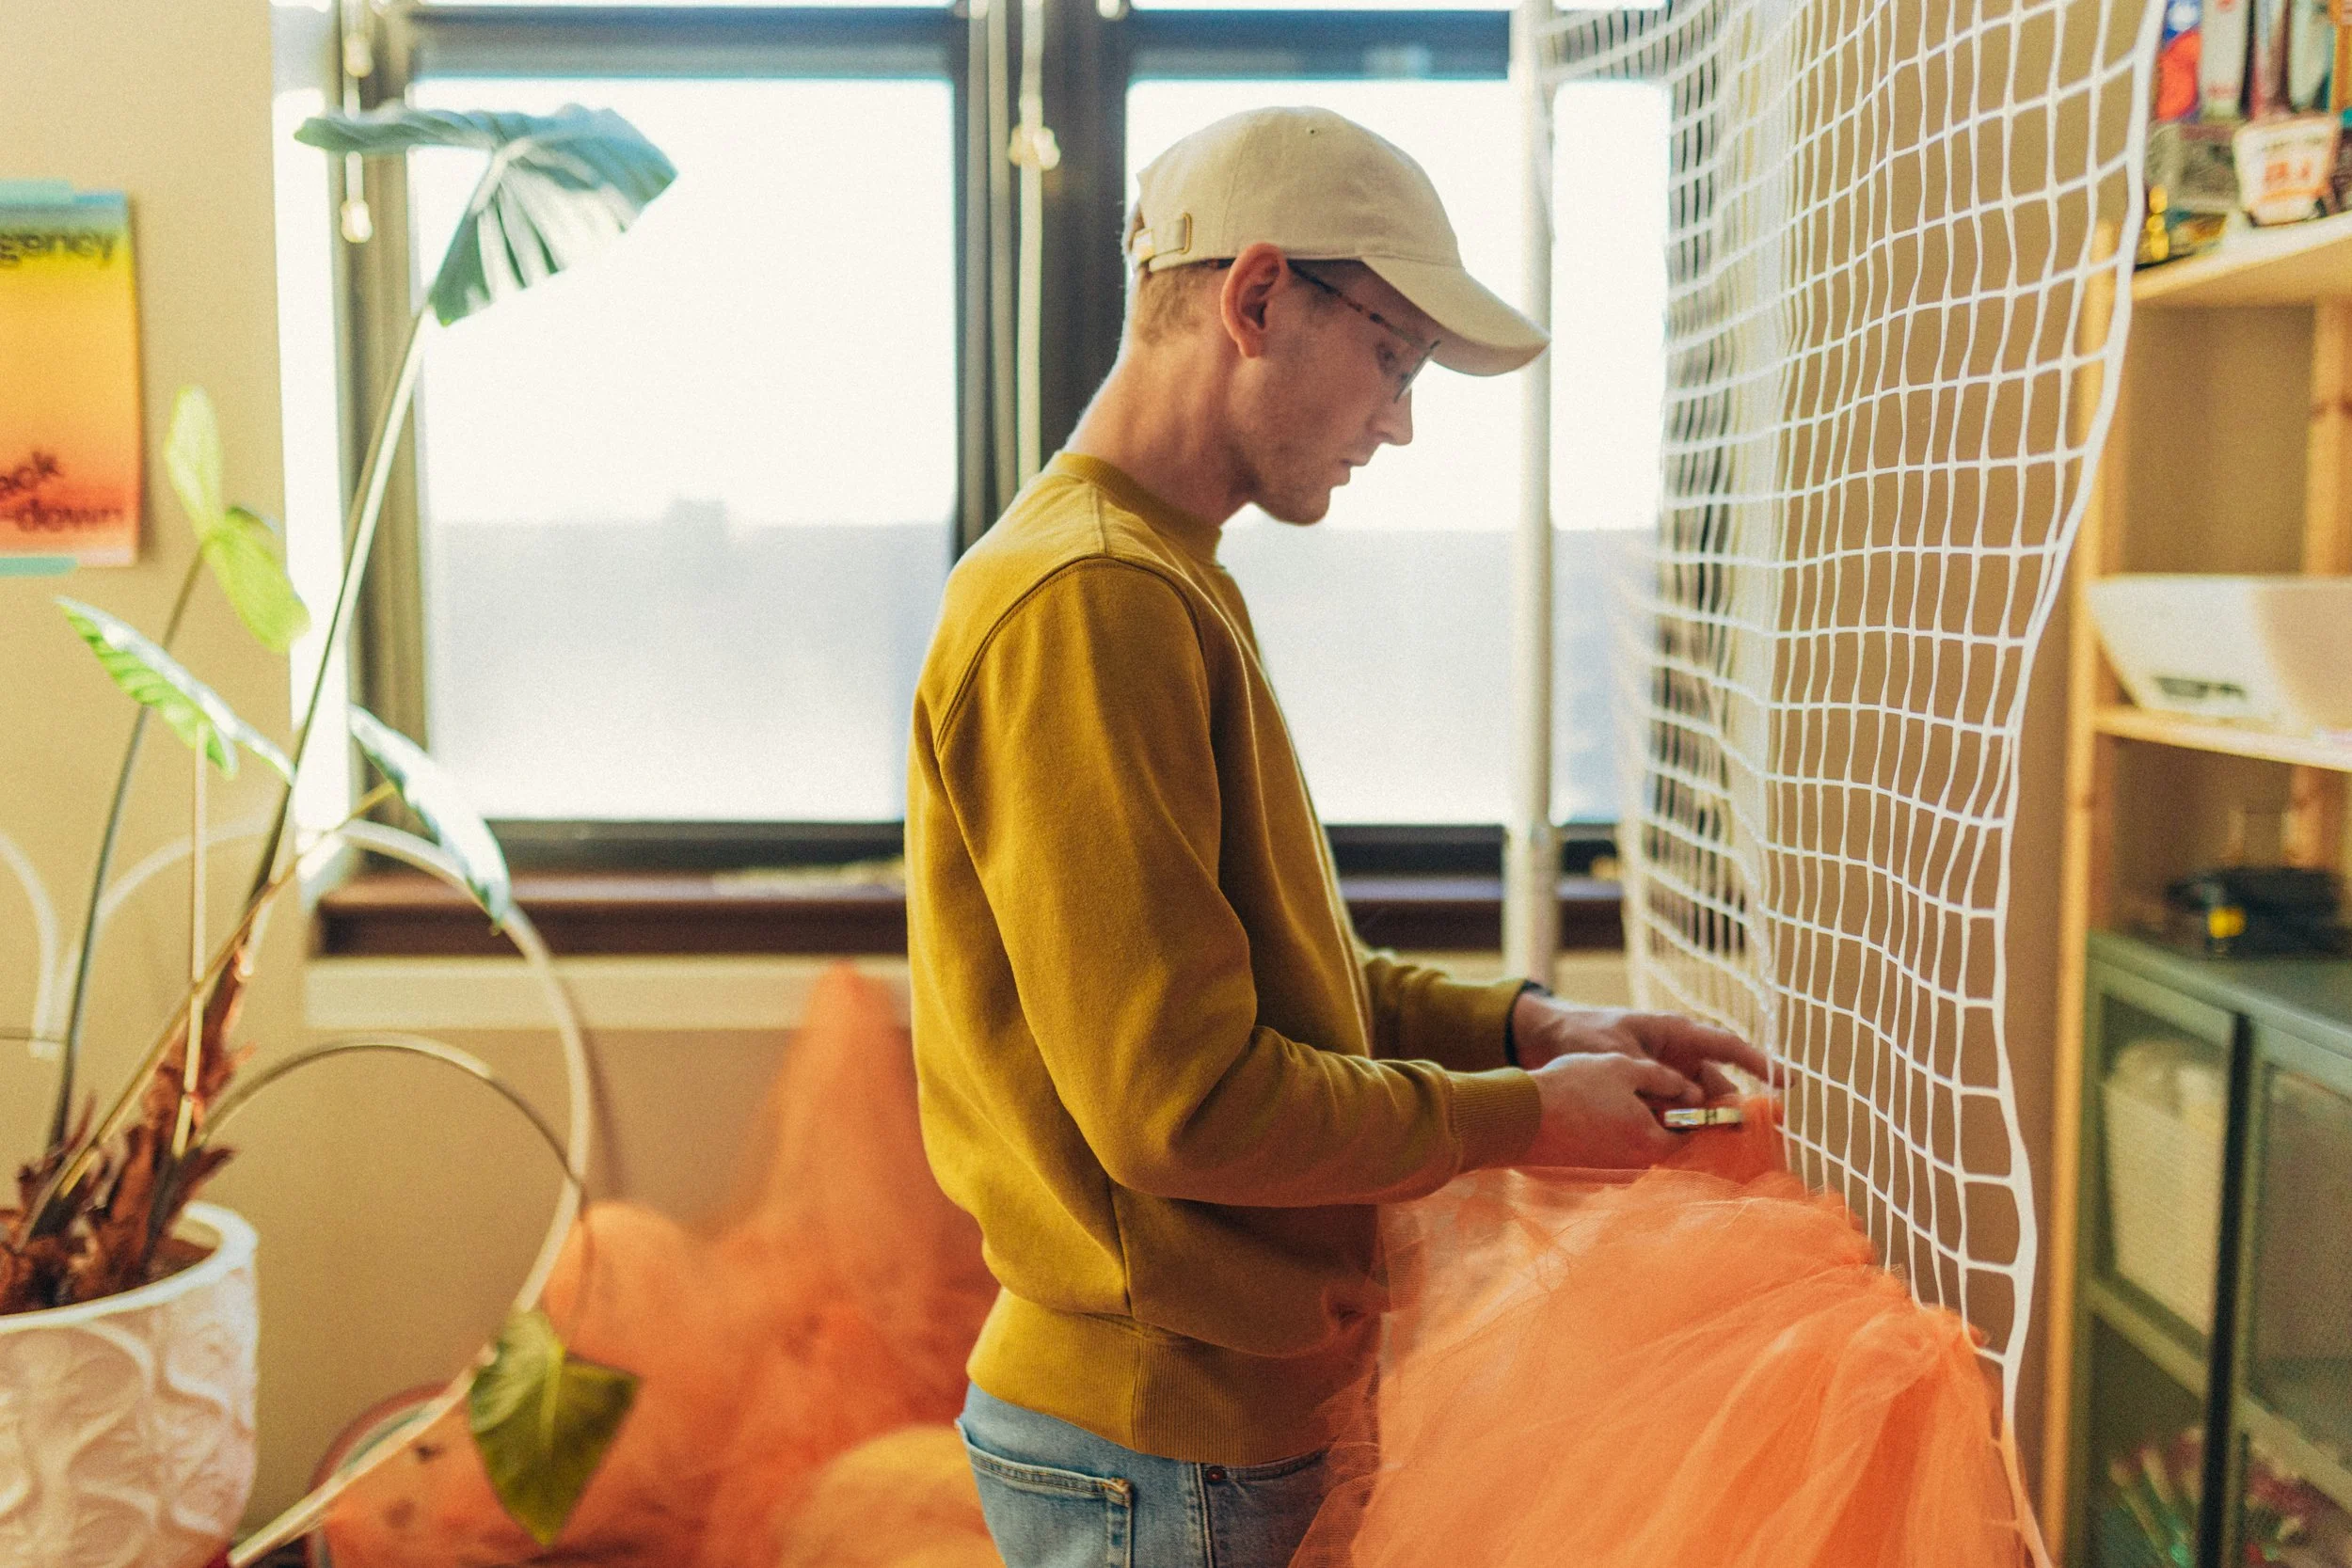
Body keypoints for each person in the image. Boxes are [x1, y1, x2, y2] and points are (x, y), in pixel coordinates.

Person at [904, 106, 1772, 1568]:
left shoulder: (1156, 574)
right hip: (1162, 1440)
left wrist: (1528, 1029)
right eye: (1393, 356)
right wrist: (1527, 1117)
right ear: (1255, 298)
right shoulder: (1092, 599)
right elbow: (1184, 1106)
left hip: (1186, 1434)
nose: (1399, 421)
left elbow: (1277, 989)